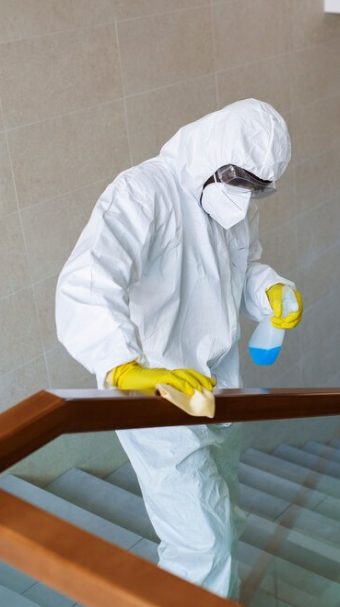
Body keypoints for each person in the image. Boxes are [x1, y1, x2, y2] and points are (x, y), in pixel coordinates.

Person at [55, 99, 302, 598]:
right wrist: (124, 368)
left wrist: (269, 289)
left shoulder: (232, 201)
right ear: (213, 148)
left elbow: (241, 269)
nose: (244, 197)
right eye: (239, 180)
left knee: (223, 514)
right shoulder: (142, 191)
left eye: (257, 188)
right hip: (157, 395)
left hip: (216, 385)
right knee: (201, 543)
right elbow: (86, 282)